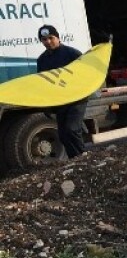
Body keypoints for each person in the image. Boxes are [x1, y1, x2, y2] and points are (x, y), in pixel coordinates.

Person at [35, 25, 89, 159]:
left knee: (72, 129)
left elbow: (85, 74)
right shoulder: (42, 60)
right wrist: (46, 105)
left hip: (77, 99)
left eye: (50, 38)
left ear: (58, 38)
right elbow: (43, 83)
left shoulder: (72, 54)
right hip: (60, 101)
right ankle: (75, 160)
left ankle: (84, 157)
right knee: (63, 134)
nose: (48, 41)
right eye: (44, 39)